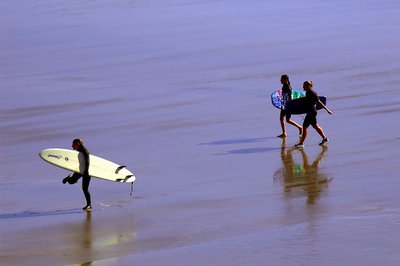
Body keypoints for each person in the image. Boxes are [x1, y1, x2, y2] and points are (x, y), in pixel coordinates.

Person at [295, 81, 333, 148]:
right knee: (315, 126)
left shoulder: (312, 93)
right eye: (303, 85)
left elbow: (319, 102)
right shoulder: (307, 92)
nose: (303, 87)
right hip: (311, 111)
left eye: (304, 86)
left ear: (309, 86)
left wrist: (327, 110)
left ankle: (301, 143)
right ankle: (325, 138)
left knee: (305, 127)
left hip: (311, 112)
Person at [62, 139, 92, 211]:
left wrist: (86, 171)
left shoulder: (84, 151)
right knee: (71, 182)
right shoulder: (78, 151)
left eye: (73, 144)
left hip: (86, 172)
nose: (72, 145)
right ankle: (68, 178)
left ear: (78, 144)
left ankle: (89, 205)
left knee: (85, 189)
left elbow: (87, 161)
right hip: (80, 170)